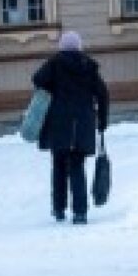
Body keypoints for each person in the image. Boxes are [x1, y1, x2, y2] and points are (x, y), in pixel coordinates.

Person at [33, 30, 109, 225]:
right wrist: (102, 121)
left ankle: (58, 209)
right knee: (77, 166)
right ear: (79, 46)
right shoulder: (88, 66)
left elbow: (37, 79)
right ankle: (80, 212)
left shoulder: (55, 64)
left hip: (59, 124)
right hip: (82, 124)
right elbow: (103, 94)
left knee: (58, 166)